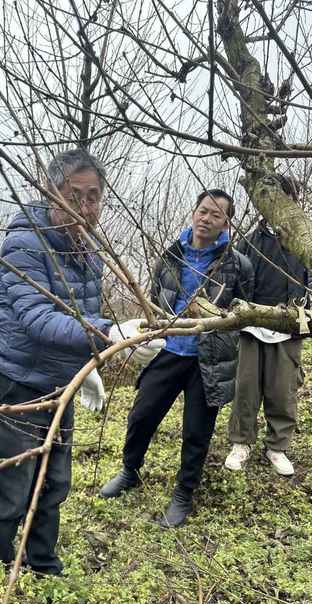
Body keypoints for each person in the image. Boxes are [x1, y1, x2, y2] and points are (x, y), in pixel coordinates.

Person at [0, 148, 161, 577]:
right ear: (51, 193)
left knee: (54, 483)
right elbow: (40, 318)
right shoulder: (23, 243)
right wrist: (110, 334)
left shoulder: (88, 252)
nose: (86, 207)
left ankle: (42, 565)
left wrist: (90, 364)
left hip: (59, 385)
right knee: (12, 487)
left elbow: (78, 317)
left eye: (94, 197)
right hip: (11, 383)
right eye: (75, 196)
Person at [99, 189, 254, 528]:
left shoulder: (237, 264)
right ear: (193, 213)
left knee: (197, 431)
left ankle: (183, 494)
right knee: (141, 414)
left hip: (208, 358)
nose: (206, 218)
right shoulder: (171, 255)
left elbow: (244, 312)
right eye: (202, 211)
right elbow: (155, 298)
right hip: (170, 351)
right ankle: (130, 470)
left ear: (227, 223)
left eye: (216, 215)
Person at [224, 184, 310, 476]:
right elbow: (235, 278)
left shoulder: (305, 240)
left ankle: (277, 447)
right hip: (254, 325)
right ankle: (241, 443)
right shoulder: (250, 241)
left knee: (283, 390)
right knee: (246, 387)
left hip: (290, 325)